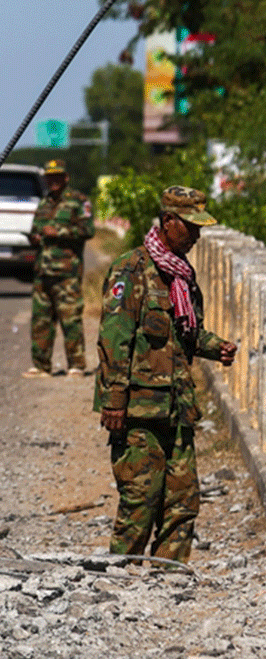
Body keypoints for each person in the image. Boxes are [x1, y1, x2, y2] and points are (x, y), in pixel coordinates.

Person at [94, 186, 237, 563]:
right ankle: (119, 578)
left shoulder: (181, 277)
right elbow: (114, 339)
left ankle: (167, 577)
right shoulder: (132, 269)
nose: (196, 236)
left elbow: (183, 333)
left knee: (183, 499)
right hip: (139, 410)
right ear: (169, 221)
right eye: (190, 227)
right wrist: (114, 401)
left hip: (177, 406)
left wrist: (214, 346)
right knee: (141, 499)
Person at [24, 159, 95, 378]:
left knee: (70, 319)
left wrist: (59, 232)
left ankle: (76, 365)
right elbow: (37, 228)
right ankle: (41, 365)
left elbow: (88, 230)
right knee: (41, 321)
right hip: (43, 271)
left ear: (65, 178)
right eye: (49, 177)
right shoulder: (44, 203)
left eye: (57, 176)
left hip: (67, 272)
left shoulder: (78, 201)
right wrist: (35, 238)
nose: (52, 181)